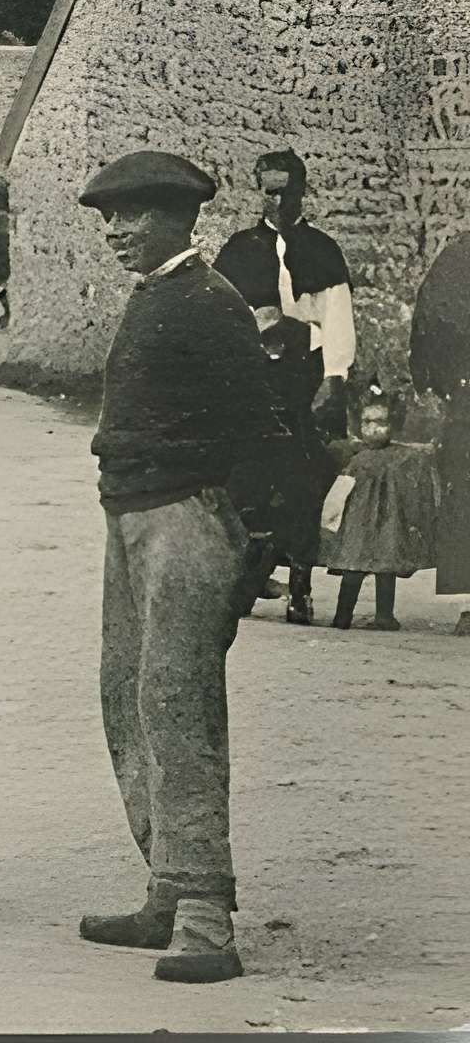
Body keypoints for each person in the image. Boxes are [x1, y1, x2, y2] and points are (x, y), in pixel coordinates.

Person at [74, 149, 273, 985]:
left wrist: (247, 548)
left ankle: (204, 915)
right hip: (129, 516)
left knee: (176, 702)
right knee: (128, 695)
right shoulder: (155, 294)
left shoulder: (209, 303)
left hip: (188, 519)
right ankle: (166, 885)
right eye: (108, 219)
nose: (115, 232)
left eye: (132, 216)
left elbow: (263, 433)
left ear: (178, 220)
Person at [210, 151, 356, 621]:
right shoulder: (239, 249)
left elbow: (337, 318)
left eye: (285, 192)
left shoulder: (322, 249)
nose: (276, 201)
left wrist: (334, 378)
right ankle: (247, 579)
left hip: (303, 376)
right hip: (253, 377)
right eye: (268, 192)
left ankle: (300, 584)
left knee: (303, 479)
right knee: (246, 476)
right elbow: (222, 317)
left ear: (301, 191)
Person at [322, 394, 439, 632]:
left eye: (380, 422)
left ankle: (348, 617)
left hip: (365, 525)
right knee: (378, 567)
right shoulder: (382, 459)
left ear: (391, 426)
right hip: (379, 524)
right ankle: (374, 616)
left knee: (360, 567)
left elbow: (338, 495)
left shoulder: (364, 460)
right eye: (368, 422)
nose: (374, 429)